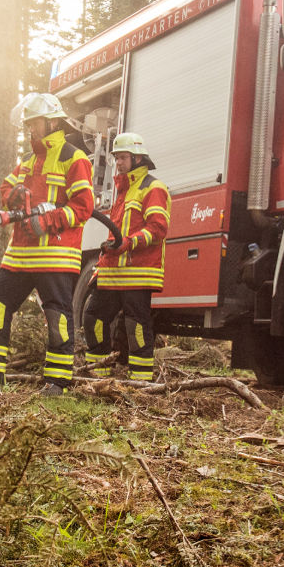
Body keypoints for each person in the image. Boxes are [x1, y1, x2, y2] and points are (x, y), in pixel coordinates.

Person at [0, 92, 96, 395]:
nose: (30, 130)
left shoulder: (73, 158)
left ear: (51, 122)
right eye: (29, 125)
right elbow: (6, 187)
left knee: (57, 313)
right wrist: (14, 196)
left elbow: (84, 207)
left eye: (34, 124)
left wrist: (48, 221)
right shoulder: (28, 160)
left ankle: (57, 382)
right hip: (20, 254)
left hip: (55, 255)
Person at [83, 132, 170, 383]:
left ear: (138, 158)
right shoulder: (122, 190)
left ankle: (140, 382)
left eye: (122, 157)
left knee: (136, 325)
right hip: (112, 271)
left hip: (138, 272)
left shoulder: (152, 188)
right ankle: (98, 375)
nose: (118, 163)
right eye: (116, 158)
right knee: (93, 317)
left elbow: (158, 229)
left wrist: (128, 244)